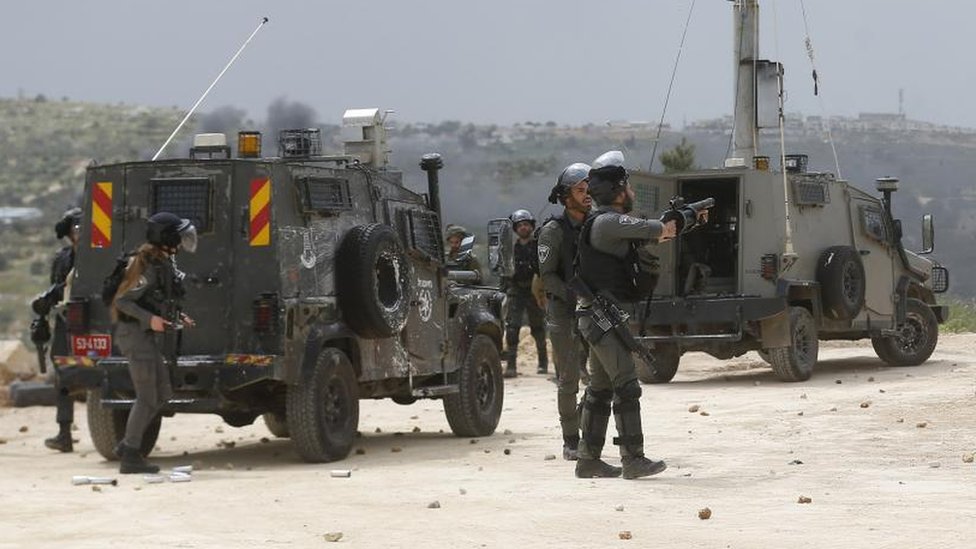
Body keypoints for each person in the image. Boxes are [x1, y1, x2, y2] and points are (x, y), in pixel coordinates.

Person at [574, 150, 700, 480]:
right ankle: (633, 458)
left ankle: (588, 459)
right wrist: (684, 218)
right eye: (628, 187)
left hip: (598, 316)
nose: (631, 192)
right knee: (627, 385)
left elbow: (659, 231)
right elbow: (661, 229)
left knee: (600, 388)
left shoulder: (604, 223)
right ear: (617, 191)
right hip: (602, 317)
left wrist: (679, 221)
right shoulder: (608, 221)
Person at [111, 212, 197, 474]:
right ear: (167, 237)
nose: (182, 242)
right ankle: (131, 456)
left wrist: (176, 315)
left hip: (144, 336)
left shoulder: (162, 261)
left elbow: (158, 297)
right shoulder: (144, 264)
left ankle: (127, 445)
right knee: (148, 396)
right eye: (178, 237)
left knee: (162, 393)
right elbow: (122, 301)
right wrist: (150, 320)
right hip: (134, 336)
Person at [538, 163, 592, 460]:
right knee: (568, 380)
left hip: (594, 309)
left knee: (604, 376)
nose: (587, 196)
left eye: (590, 191)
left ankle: (586, 422)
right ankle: (571, 439)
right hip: (564, 312)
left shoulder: (595, 224)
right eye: (580, 190)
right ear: (565, 195)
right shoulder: (553, 231)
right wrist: (576, 295)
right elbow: (547, 276)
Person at [34, 207, 82, 452]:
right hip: (67, 320)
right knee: (63, 375)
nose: (79, 232)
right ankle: (64, 433)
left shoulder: (101, 255)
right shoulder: (63, 259)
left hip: (97, 321)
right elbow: (55, 292)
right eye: (75, 228)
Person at [501, 209, 548, 378]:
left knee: (538, 328)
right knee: (512, 329)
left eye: (526, 224)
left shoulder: (538, 246)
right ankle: (511, 365)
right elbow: (504, 270)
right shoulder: (510, 249)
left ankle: (543, 362)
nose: (523, 228)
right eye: (519, 225)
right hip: (516, 289)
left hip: (534, 289)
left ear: (531, 226)